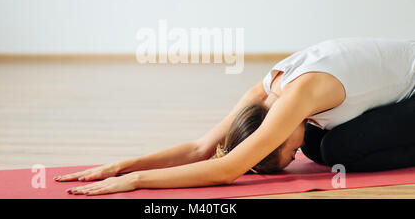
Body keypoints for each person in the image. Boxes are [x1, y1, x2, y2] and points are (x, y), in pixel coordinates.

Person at [54, 37, 415, 195]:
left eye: (286, 154)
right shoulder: (263, 93)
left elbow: (226, 170)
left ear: (271, 131)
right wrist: (121, 165)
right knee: (322, 148)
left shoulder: (299, 94)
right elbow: (200, 148)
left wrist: (137, 181)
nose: (295, 158)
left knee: (336, 149)